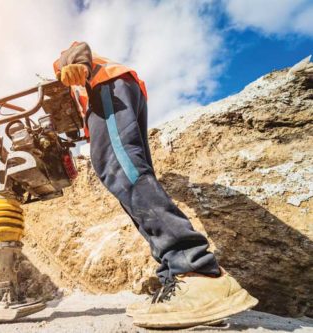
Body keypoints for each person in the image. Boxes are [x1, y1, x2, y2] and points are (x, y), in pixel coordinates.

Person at [53, 42, 258, 329]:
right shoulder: (84, 96)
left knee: (121, 169)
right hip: (116, 96)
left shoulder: (75, 73)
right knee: (126, 175)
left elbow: (76, 49)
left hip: (109, 90)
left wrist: (72, 63)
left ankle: (196, 271)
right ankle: (176, 278)